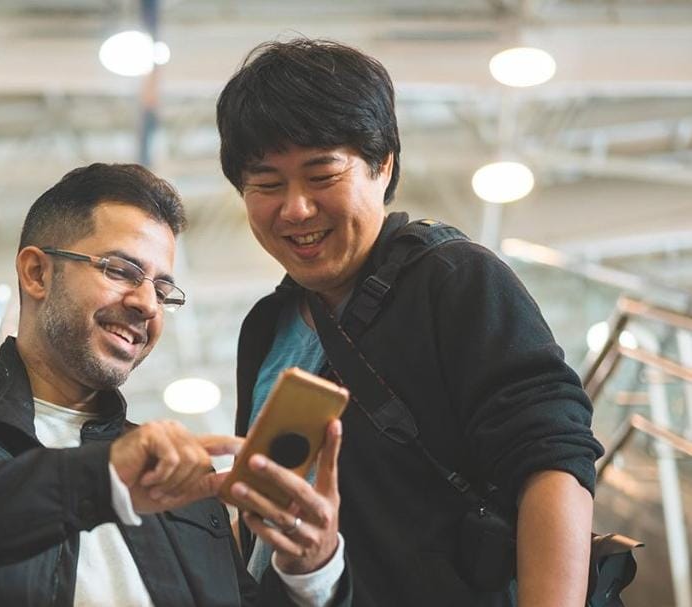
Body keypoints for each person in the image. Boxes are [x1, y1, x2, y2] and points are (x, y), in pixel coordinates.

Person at [0, 163, 351, 606]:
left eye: (163, 288)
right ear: (37, 273)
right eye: (120, 270)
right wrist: (100, 480)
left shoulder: (184, 480)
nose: (146, 305)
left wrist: (311, 571)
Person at [215, 39, 603, 606]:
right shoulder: (267, 327)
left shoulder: (454, 279)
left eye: (321, 174)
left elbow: (552, 460)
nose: (295, 208)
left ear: (383, 166)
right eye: (268, 184)